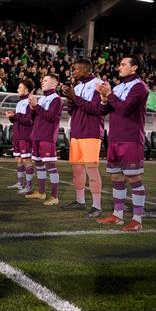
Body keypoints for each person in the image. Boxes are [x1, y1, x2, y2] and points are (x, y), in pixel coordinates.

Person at [96, 55, 149, 232]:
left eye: (123, 64)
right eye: (119, 64)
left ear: (134, 68)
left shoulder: (140, 87)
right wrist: (104, 99)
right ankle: (117, 215)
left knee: (133, 178)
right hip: (115, 138)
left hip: (131, 139)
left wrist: (109, 94)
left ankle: (137, 219)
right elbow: (104, 111)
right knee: (116, 177)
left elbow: (125, 109)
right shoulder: (118, 87)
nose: (119, 67)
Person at [61, 59, 104, 218]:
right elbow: (73, 111)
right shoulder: (77, 87)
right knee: (77, 169)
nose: (74, 72)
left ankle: (97, 205)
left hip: (91, 132)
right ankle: (80, 201)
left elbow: (95, 108)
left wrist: (74, 97)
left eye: (76, 69)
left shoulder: (99, 84)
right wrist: (69, 97)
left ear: (86, 69)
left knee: (91, 169)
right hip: (77, 132)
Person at [25, 74, 63, 206]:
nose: (42, 82)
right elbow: (35, 118)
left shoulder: (57, 99)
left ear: (54, 84)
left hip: (47, 137)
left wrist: (36, 106)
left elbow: (51, 117)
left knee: (51, 166)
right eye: (42, 80)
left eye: (46, 80)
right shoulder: (42, 99)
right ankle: (41, 192)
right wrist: (32, 108)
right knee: (39, 165)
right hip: (37, 136)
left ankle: (54, 196)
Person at [5, 78, 34, 194]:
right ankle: (20, 183)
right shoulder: (19, 102)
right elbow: (18, 120)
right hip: (17, 135)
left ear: (26, 90)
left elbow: (29, 120)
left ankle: (29, 185)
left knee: (27, 159)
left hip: (25, 136)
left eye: (20, 87)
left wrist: (15, 116)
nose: (17, 89)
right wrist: (12, 117)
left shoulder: (30, 101)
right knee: (18, 159)